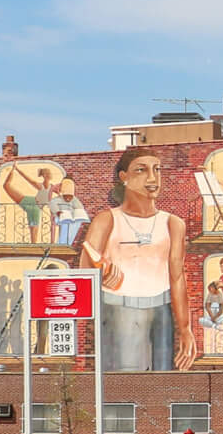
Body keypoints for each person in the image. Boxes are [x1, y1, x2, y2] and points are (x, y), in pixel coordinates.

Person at [79, 146, 196, 371]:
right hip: (118, 310)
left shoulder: (173, 223)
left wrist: (185, 329)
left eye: (157, 169)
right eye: (141, 170)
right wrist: (102, 274)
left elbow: (177, 278)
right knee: (125, 379)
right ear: (124, 177)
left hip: (162, 311)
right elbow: (84, 270)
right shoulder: (106, 219)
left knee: (162, 381)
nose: (152, 178)